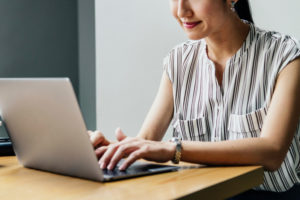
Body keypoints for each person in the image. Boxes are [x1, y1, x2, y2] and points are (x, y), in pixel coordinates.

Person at [88, 0, 300, 198]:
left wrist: (175, 150)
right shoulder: (178, 61)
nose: (181, 12)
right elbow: (147, 144)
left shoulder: (285, 56)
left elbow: (272, 152)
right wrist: (113, 150)